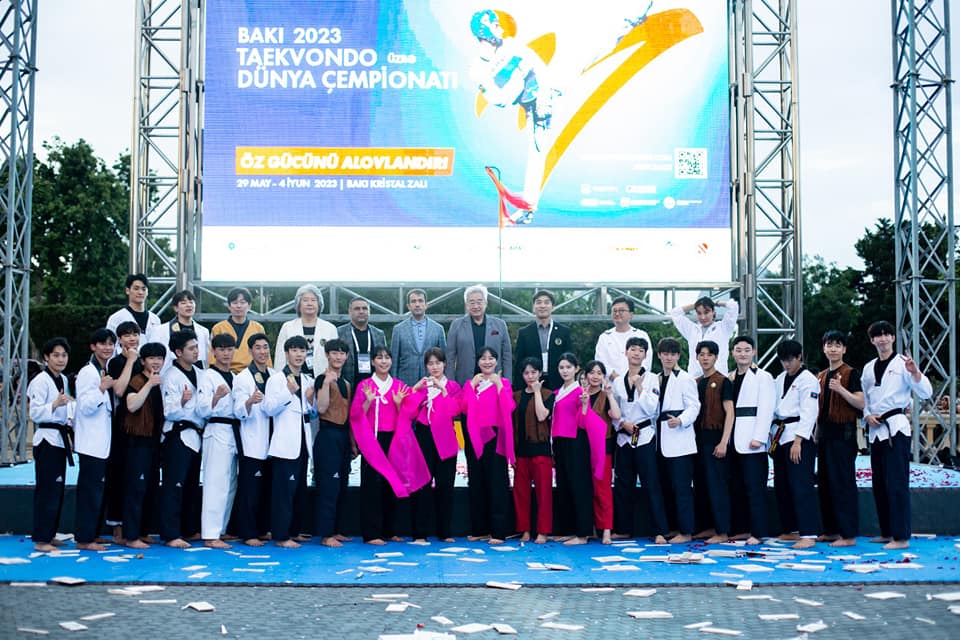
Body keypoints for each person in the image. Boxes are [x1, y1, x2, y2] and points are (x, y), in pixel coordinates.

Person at [861, 320, 932, 550]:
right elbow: (865, 398)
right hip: (876, 429)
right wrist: (867, 415)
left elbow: (926, 392)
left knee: (897, 482)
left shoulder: (903, 363)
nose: (882, 339)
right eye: (877, 335)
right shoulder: (869, 367)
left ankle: (901, 537)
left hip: (896, 428)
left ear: (893, 338)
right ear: (872, 340)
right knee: (879, 483)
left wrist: (915, 373)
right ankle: (887, 531)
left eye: (886, 334)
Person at [350, 347, 428, 544]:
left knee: (391, 484)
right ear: (373, 362)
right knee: (372, 486)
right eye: (379, 358)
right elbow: (355, 416)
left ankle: (389, 530)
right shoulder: (365, 386)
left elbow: (409, 415)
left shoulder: (399, 386)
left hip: (393, 440)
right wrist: (367, 402)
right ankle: (372, 533)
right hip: (372, 440)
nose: (383, 361)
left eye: (387, 358)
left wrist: (400, 404)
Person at [611, 337, 668, 543]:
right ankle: (623, 529)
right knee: (623, 485)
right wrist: (621, 424)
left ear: (645, 355)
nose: (636, 353)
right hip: (624, 437)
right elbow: (614, 411)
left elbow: (652, 409)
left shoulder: (652, 378)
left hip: (644, 436)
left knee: (650, 483)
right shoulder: (618, 381)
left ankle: (659, 530)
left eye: (641, 350)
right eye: (633, 349)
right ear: (625, 352)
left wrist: (640, 387)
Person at [459, 346, 516, 544]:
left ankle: (499, 531)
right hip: (474, 438)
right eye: (483, 358)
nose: (487, 361)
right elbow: (463, 408)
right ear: (477, 362)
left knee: (497, 482)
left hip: (495, 437)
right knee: (476, 482)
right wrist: (471, 386)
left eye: (491, 358)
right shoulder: (471, 383)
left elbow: (509, 407)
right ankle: (480, 528)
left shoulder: (504, 383)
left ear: (496, 361)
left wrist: (498, 384)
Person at [263, 336, 316, 548]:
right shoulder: (276, 379)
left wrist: (311, 400)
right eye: (294, 350)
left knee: (299, 492)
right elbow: (268, 408)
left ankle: (294, 531)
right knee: (283, 493)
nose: (299, 354)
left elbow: (312, 413)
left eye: (302, 351)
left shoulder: (308, 380)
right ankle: (281, 535)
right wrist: (288, 392)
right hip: (285, 443)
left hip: (303, 442)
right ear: (286, 354)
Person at [405, 347, 462, 542]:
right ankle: (420, 532)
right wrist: (414, 390)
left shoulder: (453, 386)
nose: (435, 367)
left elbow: (455, 411)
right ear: (426, 366)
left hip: (446, 437)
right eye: (430, 363)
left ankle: (444, 532)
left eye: (438, 362)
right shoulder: (422, 386)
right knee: (422, 484)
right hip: (424, 437)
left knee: (445, 485)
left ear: (445, 364)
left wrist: (443, 391)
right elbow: (409, 412)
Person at [816, 330, 865, 548]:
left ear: (844, 349)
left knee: (843, 484)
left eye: (837, 345)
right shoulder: (821, 375)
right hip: (824, 434)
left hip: (843, 434)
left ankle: (848, 534)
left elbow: (861, 403)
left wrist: (841, 390)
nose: (833, 349)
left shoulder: (851, 373)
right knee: (825, 484)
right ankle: (831, 530)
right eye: (829, 345)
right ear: (824, 348)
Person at [770, 339, 819, 549]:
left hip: (798, 435)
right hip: (780, 434)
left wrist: (799, 441)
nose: (787, 364)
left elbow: (810, 412)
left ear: (800, 357)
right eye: (783, 360)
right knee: (782, 484)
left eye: (790, 360)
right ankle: (790, 529)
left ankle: (808, 533)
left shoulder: (808, 380)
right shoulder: (780, 378)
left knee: (801, 484)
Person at [727, 336, 775, 545]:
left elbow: (767, 408)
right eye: (738, 350)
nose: (743, 354)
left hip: (753, 441)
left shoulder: (763, 377)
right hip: (733, 440)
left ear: (753, 352)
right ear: (733, 353)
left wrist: (759, 437)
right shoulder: (729, 377)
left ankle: (758, 531)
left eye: (747, 350)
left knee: (755, 489)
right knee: (737, 487)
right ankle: (742, 529)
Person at [28, 337, 75, 552]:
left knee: (57, 489)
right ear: (46, 357)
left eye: (64, 355)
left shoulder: (63, 379)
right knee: (47, 490)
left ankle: (50, 533)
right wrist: (55, 404)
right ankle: (41, 539)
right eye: (55, 355)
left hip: (59, 439)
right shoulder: (40, 381)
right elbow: (35, 413)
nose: (60, 359)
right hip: (47, 439)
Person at [653, 338, 701, 544]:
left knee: (682, 489)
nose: (669, 357)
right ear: (659, 355)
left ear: (678, 356)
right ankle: (671, 527)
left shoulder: (685, 378)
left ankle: (686, 531)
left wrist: (681, 420)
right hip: (660, 438)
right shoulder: (655, 379)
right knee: (666, 487)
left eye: (673, 354)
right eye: (665, 353)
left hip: (680, 439)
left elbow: (694, 406)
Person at [159, 329, 204, 548]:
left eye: (196, 347)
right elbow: (169, 411)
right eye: (191, 348)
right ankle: (170, 534)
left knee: (191, 485)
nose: (196, 351)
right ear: (178, 352)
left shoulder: (200, 373)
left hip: (196, 435)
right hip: (177, 435)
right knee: (174, 486)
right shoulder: (171, 376)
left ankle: (189, 529)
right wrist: (183, 402)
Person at [73, 328, 117, 551]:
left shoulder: (103, 370)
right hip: (91, 443)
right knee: (90, 492)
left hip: (102, 442)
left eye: (111, 344)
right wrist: (101, 389)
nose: (107, 348)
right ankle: (84, 538)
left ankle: (94, 533)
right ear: (93, 346)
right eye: (103, 344)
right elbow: (85, 406)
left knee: (99, 491)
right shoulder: (88, 373)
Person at [232, 332, 277, 546]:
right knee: (250, 490)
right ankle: (248, 533)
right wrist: (250, 401)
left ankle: (262, 528)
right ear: (250, 351)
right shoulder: (243, 377)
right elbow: (238, 410)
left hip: (273, 439)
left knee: (267, 488)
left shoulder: (275, 375)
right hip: (253, 439)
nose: (262, 351)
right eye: (258, 348)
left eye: (265, 347)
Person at [121, 342, 166, 549]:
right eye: (151, 358)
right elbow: (131, 405)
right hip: (138, 443)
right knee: (136, 490)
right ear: (143, 361)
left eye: (159, 358)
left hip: (155, 443)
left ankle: (143, 531)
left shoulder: (161, 382)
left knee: (150, 488)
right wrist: (148, 385)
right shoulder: (137, 381)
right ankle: (131, 536)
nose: (156, 362)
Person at [197, 333, 240, 548]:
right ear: (213, 352)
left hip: (234, 430)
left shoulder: (235, 376)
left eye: (229, 349)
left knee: (230, 483)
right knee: (216, 483)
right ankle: (210, 533)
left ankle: (221, 529)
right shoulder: (208, 376)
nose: (226, 353)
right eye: (221, 349)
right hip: (216, 429)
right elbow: (201, 408)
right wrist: (216, 398)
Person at [550, 353, 597, 546]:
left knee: (579, 486)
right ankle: (568, 529)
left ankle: (583, 532)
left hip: (576, 441)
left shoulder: (580, 392)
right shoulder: (557, 392)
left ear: (576, 369)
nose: (565, 371)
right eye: (561, 367)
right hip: (559, 441)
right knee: (564, 485)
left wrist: (585, 405)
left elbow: (585, 422)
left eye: (568, 367)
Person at [691, 341, 735, 544]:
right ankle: (707, 526)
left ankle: (722, 531)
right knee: (701, 486)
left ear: (716, 357)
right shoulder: (695, 382)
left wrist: (724, 441)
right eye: (702, 354)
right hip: (696, 442)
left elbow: (730, 413)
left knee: (718, 487)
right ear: (697, 357)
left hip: (715, 440)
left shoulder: (723, 381)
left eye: (709, 354)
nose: (705, 358)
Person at [104, 321, 143, 542]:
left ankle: (137, 528)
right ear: (120, 339)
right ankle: (116, 526)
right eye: (127, 335)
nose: (132, 338)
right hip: (122, 424)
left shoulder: (144, 360)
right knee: (119, 474)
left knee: (138, 478)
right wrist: (130, 361)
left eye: (135, 334)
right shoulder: (116, 362)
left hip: (143, 425)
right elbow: (119, 390)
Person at [313, 339, 354, 548]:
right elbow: (320, 408)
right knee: (328, 486)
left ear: (346, 356)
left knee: (341, 485)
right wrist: (326, 384)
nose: (338, 357)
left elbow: (349, 415)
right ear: (327, 355)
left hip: (343, 436)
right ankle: (326, 533)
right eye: (334, 353)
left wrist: (353, 443)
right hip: (328, 434)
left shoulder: (346, 383)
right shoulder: (322, 379)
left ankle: (336, 529)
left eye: (342, 353)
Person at [511, 357, 554, 544]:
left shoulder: (548, 394)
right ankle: (525, 530)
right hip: (521, 451)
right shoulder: (516, 396)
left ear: (540, 373)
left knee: (543, 493)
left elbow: (542, 415)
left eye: (533, 372)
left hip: (541, 450)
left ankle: (543, 531)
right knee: (521, 493)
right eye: (526, 373)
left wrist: (536, 392)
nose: (530, 376)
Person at [582, 360, 621, 544]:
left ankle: (606, 529)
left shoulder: (605, 396)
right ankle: (590, 528)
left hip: (602, 448)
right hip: (583, 448)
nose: (595, 376)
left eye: (599, 373)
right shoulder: (581, 395)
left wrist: (610, 394)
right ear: (586, 375)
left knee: (603, 490)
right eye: (592, 372)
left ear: (604, 376)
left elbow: (617, 415)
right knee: (586, 489)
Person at [447, 284, 513, 386]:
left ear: (486, 303)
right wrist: (450, 384)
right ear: (466, 304)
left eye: (479, 302)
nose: (476, 306)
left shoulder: (500, 325)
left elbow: (507, 356)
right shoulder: (456, 325)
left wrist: (507, 382)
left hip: (494, 382)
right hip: (465, 381)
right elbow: (450, 357)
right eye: (472, 302)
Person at [512, 289, 573, 390]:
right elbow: (519, 363)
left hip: (558, 383)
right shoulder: (524, 333)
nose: (542, 306)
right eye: (539, 302)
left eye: (546, 302)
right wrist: (518, 389)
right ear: (533, 307)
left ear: (552, 307)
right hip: (532, 383)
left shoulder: (563, 331)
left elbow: (569, 360)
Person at [274, 284, 337, 376]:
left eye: (313, 300)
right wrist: (280, 379)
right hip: (293, 380)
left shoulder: (330, 328)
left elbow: (335, 358)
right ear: (299, 304)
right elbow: (280, 358)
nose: (309, 303)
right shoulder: (287, 327)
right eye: (305, 300)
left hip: (322, 379)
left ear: (319, 304)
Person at [670, 297, 740, 377]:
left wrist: (715, 303)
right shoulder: (692, 330)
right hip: (695, 378)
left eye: (706, 312)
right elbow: (675, 313)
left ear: (713, 312)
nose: (703, 317)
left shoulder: (723, 327)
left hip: (718, 378)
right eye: (699, 313)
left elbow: (733, 306)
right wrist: (697, 304)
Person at [390, 289, 447, 386]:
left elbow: (443, 358)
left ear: (426, 305)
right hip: (405, 382)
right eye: (413, 301)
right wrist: (393, 384)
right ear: (408, 306)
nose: (417, 304)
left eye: (420, 301)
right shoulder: (398, 329)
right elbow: (394, 360)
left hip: (432, 382)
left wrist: (443, 383)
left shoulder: (438, 329)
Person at [210, 287, 271, 373]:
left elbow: (265, 354)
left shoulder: (258, 328)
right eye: (235, 303)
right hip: (225, 372)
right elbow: (212, 356)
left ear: (249, 306)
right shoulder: (218, 328)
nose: (239, 306)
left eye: (242, 302)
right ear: (229, 306)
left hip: (253, 373)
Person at [594, 296, 652, 380]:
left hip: (637, 384)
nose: (617, 314)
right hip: (611, 385)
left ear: (631, 314)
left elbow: (647, 362)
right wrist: (619, 381)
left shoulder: (641, 335)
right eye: (614, 311)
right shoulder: (604, 337)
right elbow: (600, 363)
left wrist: (632, 380)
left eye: (621, 310)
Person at [338, 297, 388, 386]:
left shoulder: (379, 334)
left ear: (369, 312)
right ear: (350, 311)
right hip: (348, 384)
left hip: (374, 386)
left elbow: (385, 360)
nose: (361, 311)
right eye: (357, 309)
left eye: (364, 308)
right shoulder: (339, 333)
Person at [106, 274, 161, 347]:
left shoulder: (155, 319)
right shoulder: (116, 318)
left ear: (147, 292)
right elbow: (110, 345)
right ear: (127, 290)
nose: (140, 292)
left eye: (144, 289)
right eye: (136, 289)